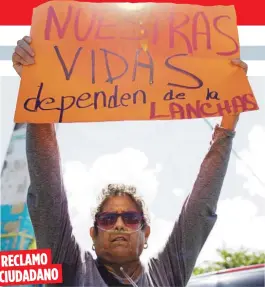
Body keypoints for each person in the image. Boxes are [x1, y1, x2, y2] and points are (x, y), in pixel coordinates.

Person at [12, 36, 248, 287]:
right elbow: (48, 195)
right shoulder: (71, 270)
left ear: (145, 233)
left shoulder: (166, 275)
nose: (120, 225)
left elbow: (199, 211)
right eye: (107, 219)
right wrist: (36, 90)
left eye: (132, 218)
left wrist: (228, 122)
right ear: (93, 234)